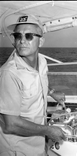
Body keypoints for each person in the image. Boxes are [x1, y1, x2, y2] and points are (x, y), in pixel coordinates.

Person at [0, 15, 66, 156]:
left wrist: (52, 92)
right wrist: (48, 131)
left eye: (29, 36)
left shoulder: (42, 61)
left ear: (40, 41)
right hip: (18, 149)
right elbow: (9, 125)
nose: (22, 41)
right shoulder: (9, 74)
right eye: (18, 36)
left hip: (38, 142)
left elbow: (37, 81)